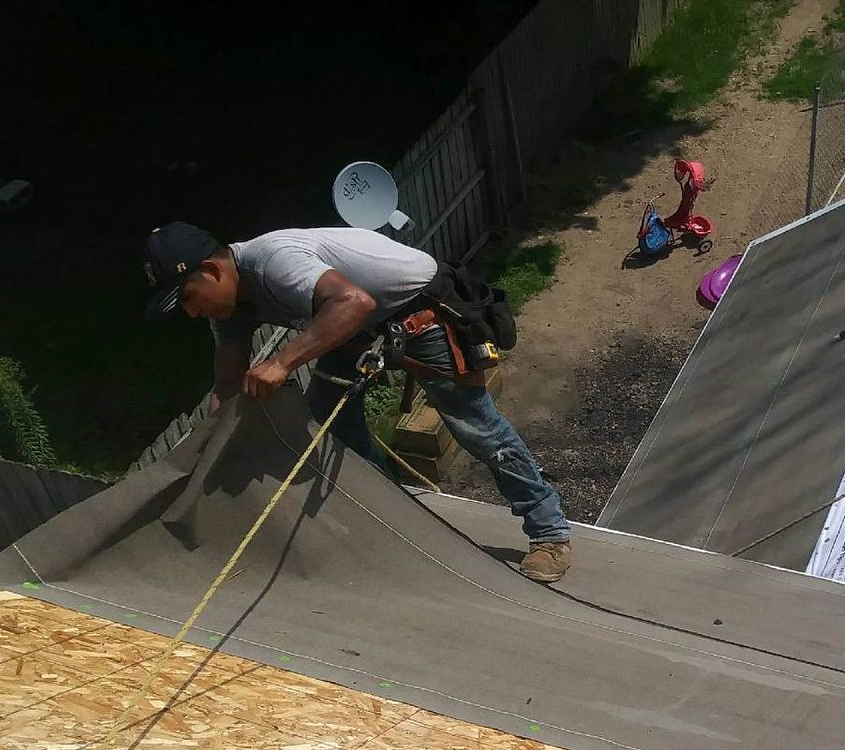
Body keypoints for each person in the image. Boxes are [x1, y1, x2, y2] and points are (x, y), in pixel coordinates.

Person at [142, 222, 573, 582]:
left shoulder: (273, 262)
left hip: (421, 311)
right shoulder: (229, 309)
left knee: (476, 427)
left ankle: (549, 533)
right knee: (329, 421)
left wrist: (283, 362)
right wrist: (208, 449)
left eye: (188, 298)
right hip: (359, 326)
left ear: (211, 270)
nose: (191, 313)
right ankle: (396, 515)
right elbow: (226, 386)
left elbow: (355, 301)